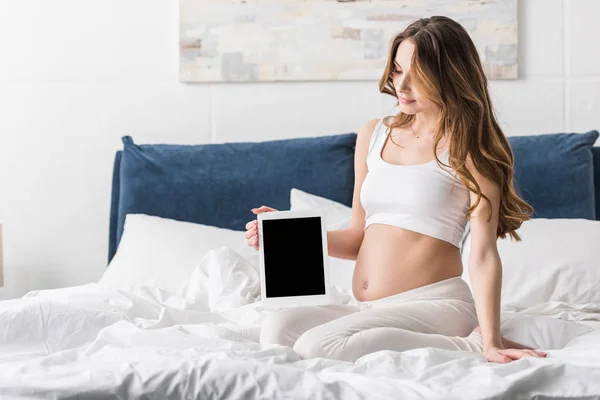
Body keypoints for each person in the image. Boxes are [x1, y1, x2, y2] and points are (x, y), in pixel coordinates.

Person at [245, 16, 547, 364]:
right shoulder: (373, 134)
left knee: (317, 346)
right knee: (277, 330)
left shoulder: (469, 148)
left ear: (449, 76)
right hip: (368, 306)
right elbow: (358, 237)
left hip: (435, 304)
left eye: (417, 76)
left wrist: (491, 338)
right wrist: (286, 235)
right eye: (398, 70)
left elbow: (482, 255)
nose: (401, 86)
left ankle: (471, 343)